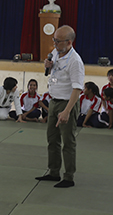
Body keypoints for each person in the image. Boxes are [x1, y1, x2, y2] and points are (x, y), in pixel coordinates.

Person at [36, 25, 84, 188]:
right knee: (52, 139)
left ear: (69, 42)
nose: (54, 43)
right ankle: (53, 171)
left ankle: (68, 177)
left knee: (68, 141)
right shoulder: (56, 53)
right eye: (54, 40)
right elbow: (54, 75)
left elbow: (77, 89)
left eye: (58, 41)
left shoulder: (75, 61)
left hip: (67, 103)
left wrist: (67, 111)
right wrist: (47, 67)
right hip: (54, 101)